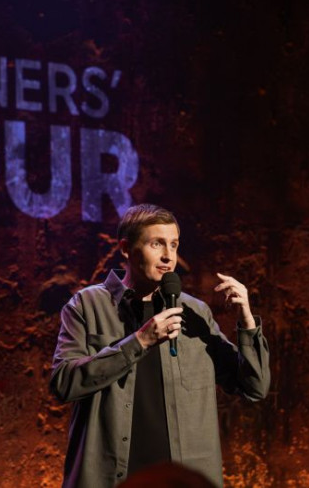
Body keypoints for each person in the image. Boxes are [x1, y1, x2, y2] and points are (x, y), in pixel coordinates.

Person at [50, 204, 270, 488]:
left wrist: (247, 321)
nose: (169, 256)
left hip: (180, 481)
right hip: (110, 479)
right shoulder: (87, 306)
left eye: (174, 245)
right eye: (157, 244)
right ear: (126, 249)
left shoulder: (195, 312)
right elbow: (63, 383)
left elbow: (254, 387)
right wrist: (139, 341)